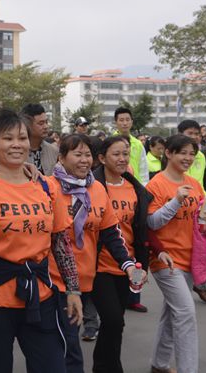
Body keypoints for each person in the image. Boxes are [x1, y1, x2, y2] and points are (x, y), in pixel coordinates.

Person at [0, 109, 83, 373]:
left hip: (41, 297)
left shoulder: (47, 186)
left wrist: (73, 290)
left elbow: (60, 242)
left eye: (22, 138)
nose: (16, 144)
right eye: (7, 138)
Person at [48, 134, 142, 373]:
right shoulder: (49, 187)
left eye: (87, 154)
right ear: (61, 157)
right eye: (77, 154)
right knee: (69, 348)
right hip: (57, 281)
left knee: (110, 322)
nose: (84, 160)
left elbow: (111, 233)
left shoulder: (97, 189)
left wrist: (128, 264)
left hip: (89, 273)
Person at [93, 136, 167, 373]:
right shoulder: (92, 186)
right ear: (102, 158)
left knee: (115, 323)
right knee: (114, 319)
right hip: (99, 265)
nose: (122, 158)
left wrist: (157, 251)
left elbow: (141, 228)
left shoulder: (135, 188)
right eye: (116, 154)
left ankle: (101, 366)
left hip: (129, 266)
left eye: (125, 153)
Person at [146, 134, 206, 373]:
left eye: (192, 153)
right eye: (183, 152)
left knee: (172, 314)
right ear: (168, 153)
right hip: (166, 260)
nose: (188, 158)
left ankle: (159, 364)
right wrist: (175, 201)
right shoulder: (156, 184)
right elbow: (151, 222)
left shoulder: (194, 183)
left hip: (190, 257)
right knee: (185, 314)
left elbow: (199, 217)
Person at [113, 106, 149, 184]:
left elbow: (143, 169)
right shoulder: (110, 143)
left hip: (136, 185)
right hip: (116, 184)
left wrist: (144, 186)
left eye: (127, 120)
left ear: (132, 122)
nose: (125, 123)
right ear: (116, 122)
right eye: (121, 120)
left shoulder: (138, 144)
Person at [22, 103, 59, 175]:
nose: (46, 126)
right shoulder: (17, 151)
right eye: (41, 123)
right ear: (28, 125)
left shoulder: (53, 150)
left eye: (46, 122)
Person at [178, 120, 206, 191]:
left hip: (198, 198)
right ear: (180, 134)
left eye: (196, 134)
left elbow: (200, 184)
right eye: (190, 133)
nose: (194, 137)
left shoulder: (201, 156)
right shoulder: (174, 155)